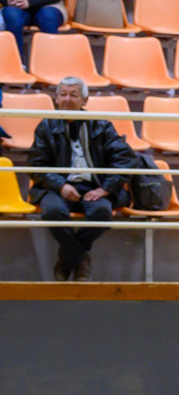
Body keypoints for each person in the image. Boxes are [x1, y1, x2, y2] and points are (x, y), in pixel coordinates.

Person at [28, 76, 140, 281]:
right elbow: (36, 166)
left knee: (102, 213)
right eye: (63, 94)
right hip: (56, 187)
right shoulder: (46, 126)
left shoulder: (101, 125)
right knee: (52, 211)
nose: (67, 100)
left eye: (73, 95)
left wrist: (105, 188)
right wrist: (61, 186)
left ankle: (67, 257)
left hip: (93, 186)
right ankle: (79, 258)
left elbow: (126, 159)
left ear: (84, 100)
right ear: (56, 98)